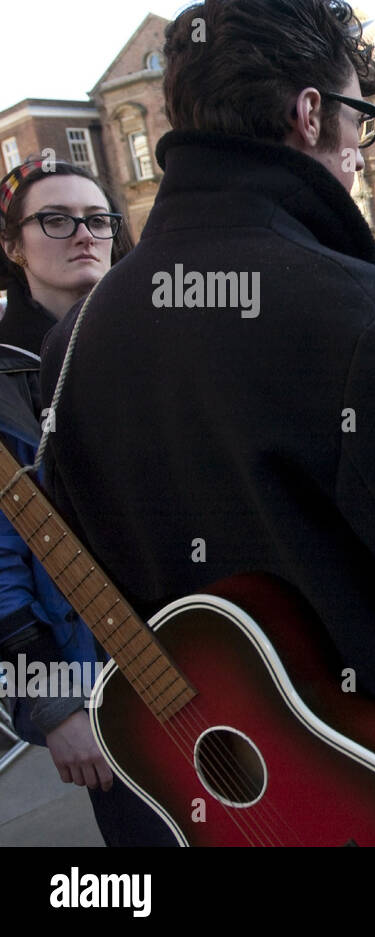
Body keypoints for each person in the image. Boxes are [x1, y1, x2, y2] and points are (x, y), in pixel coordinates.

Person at [38, 0, 375, 842]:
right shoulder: (359, 310)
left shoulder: (76, 339)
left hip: (223, 800)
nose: (360, 161)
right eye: (358, 123)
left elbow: (90, 568)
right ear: (309, 116)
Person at [0, 158, 173, 845]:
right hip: (100, 686)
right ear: (13, 245)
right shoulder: (7, 382)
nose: (84, 234)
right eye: (55, 219)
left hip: (215, 653)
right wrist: (53, 703)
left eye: (98, 219)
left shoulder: (152, 345)